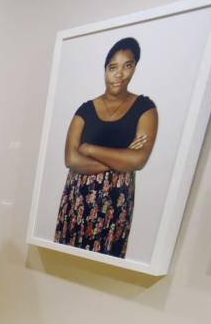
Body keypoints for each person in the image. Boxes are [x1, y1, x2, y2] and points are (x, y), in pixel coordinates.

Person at [54, 37, 158, 258]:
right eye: (113, 67)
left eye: (127, 65)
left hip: (114, 204)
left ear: (135, 67)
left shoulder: (144, 108)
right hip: (77, 198)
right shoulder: (86, 110)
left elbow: (137, 160)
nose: (119, 74)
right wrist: (120, 159)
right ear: (105, 70)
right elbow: (71, 159)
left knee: (104, 260)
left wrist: (90, 148)